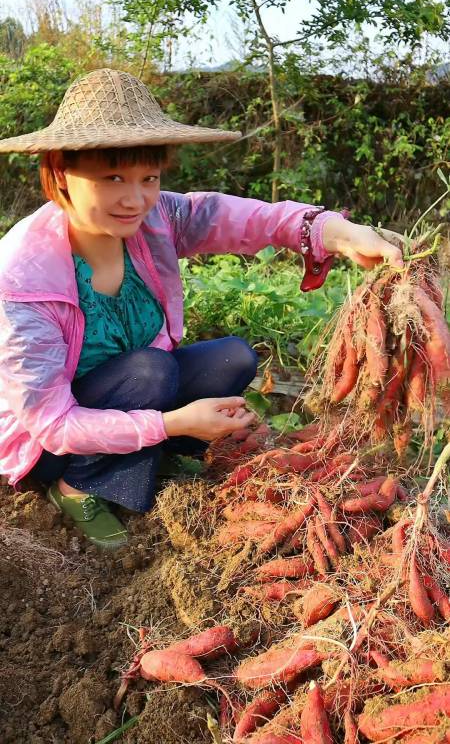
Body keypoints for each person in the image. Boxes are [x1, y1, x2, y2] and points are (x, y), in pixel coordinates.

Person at [0, 68, 404, 549]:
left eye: (148, 177)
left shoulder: (156, 219)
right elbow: (54, 422)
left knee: (231, 358)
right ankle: (77, 486)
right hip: (49, 442)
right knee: (152, 372)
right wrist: (173, 422)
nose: (135, 199)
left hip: (130, 391)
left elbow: (243, 218)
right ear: (61, 174)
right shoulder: (22, 278)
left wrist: (337, 233)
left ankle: (156, 455)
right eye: (112, 177)